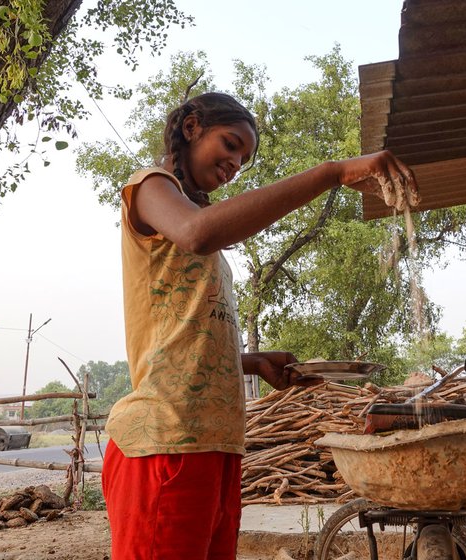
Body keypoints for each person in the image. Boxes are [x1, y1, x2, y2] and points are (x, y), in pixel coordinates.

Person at [102, 91, 413, 559]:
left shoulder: (192, 218)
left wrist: (250, 362)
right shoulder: (150, 186)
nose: (234, 164)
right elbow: (198, 233)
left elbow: (184, 333)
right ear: (191, 128)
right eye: (229, 145)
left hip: (216, 443)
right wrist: (331, 173)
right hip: (164, 439)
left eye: (243, 159)